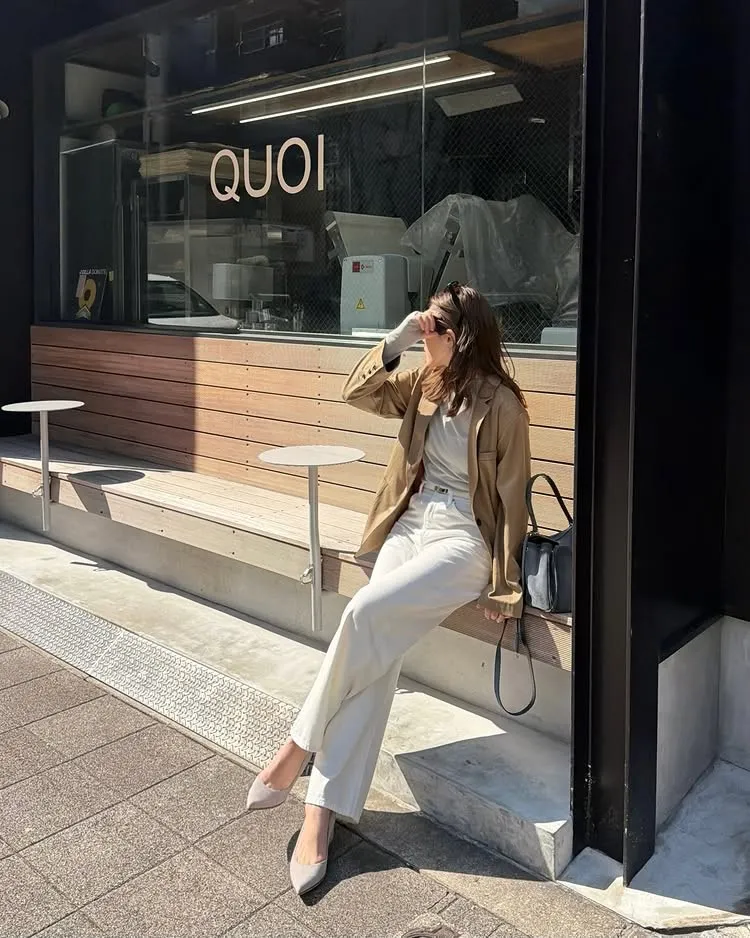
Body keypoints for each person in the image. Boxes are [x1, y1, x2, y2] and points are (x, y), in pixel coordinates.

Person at [246, 283, 531, 895]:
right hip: (412, 520)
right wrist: (397, 338)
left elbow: (513, 500)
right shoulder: (424, 381)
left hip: (464, 537)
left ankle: (297, 747)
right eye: (424, 325)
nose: (426, 334)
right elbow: (357, 391)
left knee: (364, 613)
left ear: (464, 336)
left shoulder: (502, 404)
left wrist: (506, 588)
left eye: (435, 327)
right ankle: (319, 813)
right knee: (377, 655)